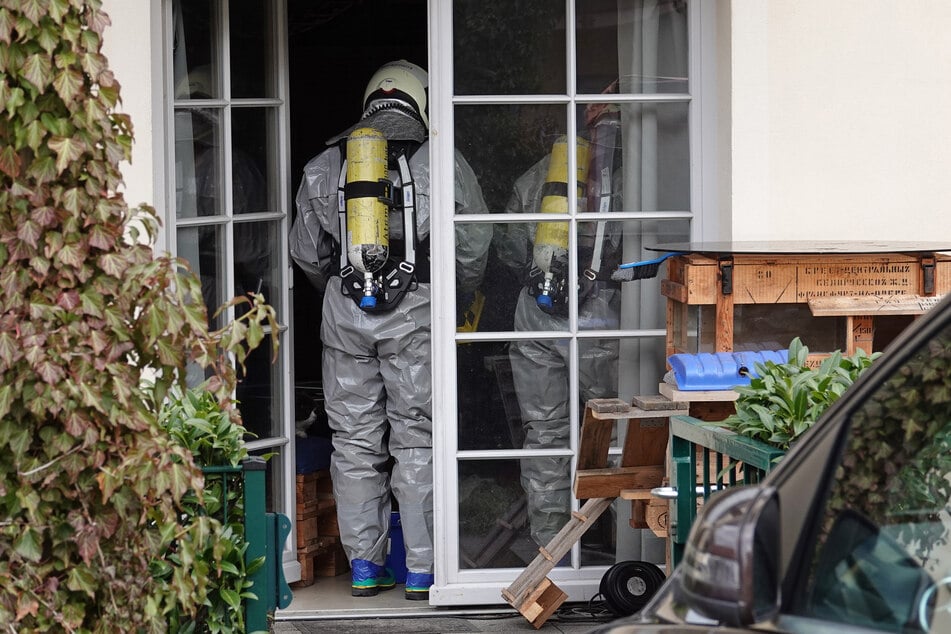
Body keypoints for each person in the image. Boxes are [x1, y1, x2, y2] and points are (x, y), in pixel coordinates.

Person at [289, 60, 491, 599]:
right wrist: (457, 295)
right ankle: (422, 570)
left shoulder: (325, 164)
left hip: (345, 312)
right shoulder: (444, 162)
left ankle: (363, 567)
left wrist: (342, 296)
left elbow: (306, 255)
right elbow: (474, 245)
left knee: (354, 443)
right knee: (416, 436)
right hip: (418, 313)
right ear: (422, 102)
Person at [494, 105, 624, 551]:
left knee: (545, 432)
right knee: (616, 424)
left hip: (535, 308)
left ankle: (551, 547)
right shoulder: (628, 179)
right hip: (600, 312)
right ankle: (623, 540)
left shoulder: (538, 178)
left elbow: (510, 249)